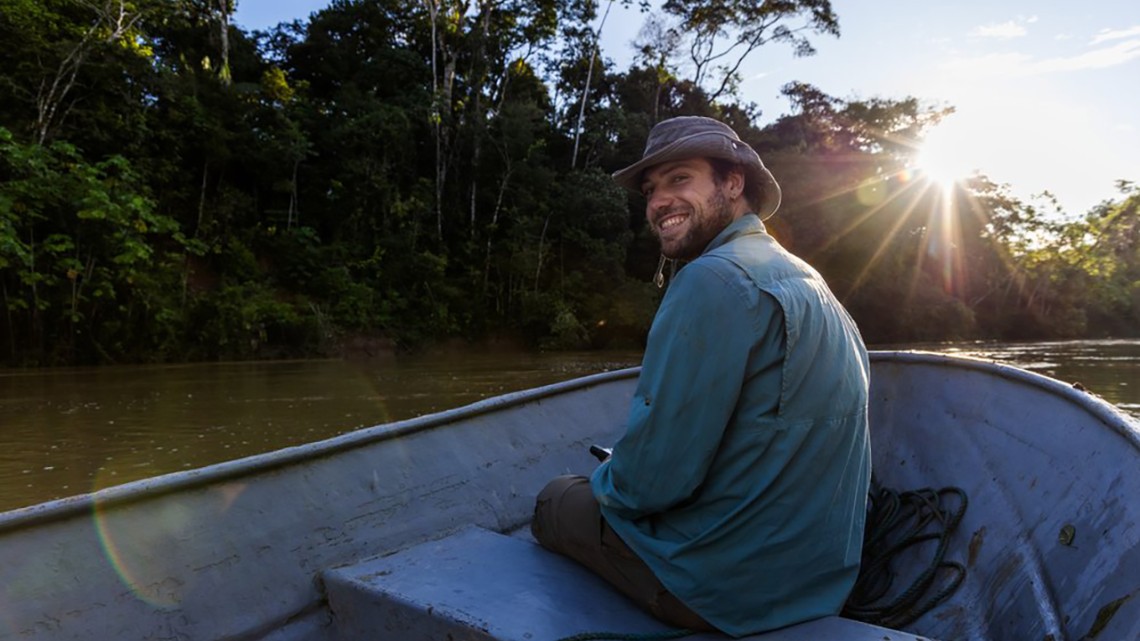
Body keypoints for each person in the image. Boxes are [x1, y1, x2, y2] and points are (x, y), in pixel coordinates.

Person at [531, 116, 872, 637]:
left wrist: (607, 480)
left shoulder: (712, 280)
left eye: (679, 179)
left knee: (557, 497)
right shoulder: (810, 278)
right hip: (822, 582)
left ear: (733, 183)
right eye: (650, 189)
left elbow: (650, 485)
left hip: (725, 592)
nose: (658, 201)